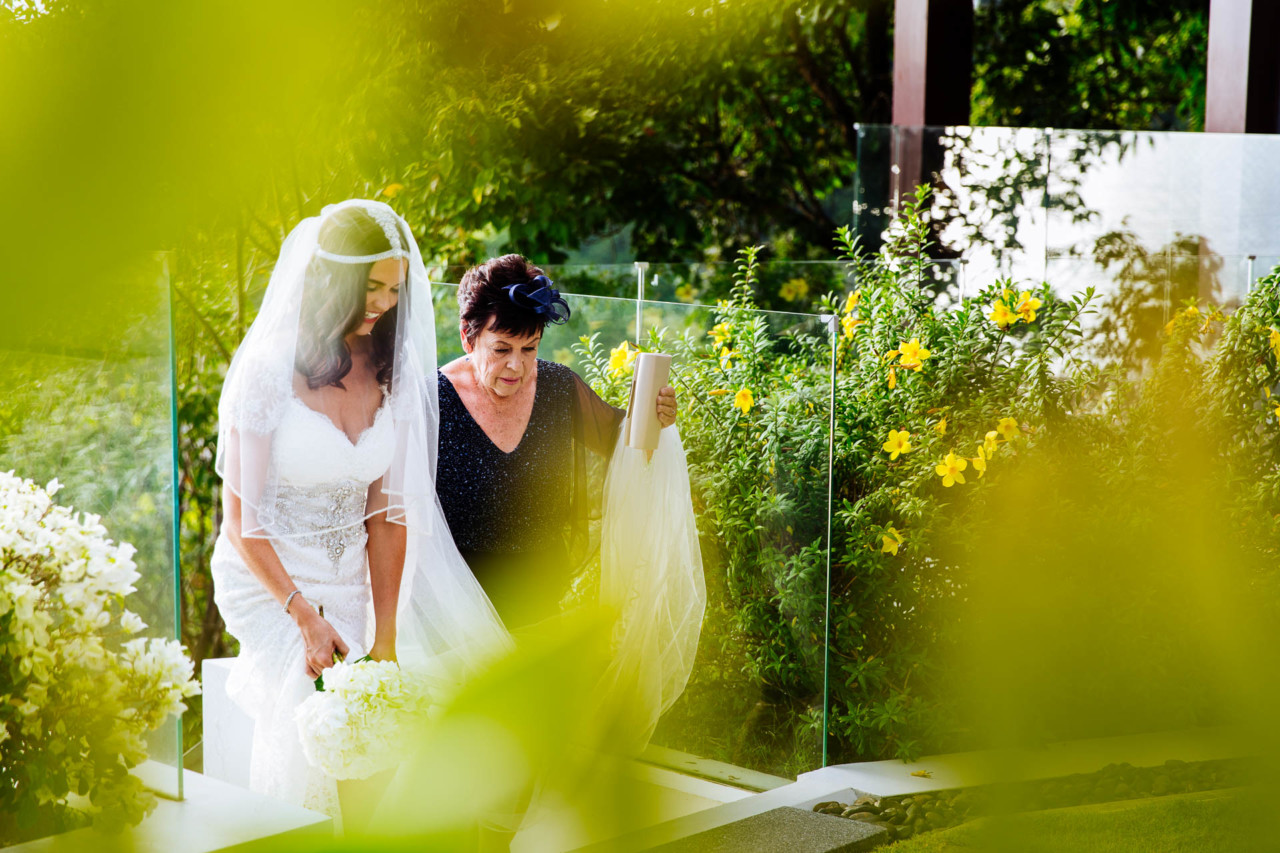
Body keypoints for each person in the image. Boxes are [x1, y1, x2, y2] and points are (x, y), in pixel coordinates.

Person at [212, 200, 507, 819]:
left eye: (396, 289)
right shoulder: (267, 372)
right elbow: (241, 522)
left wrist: (389, 635)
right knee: (305, 700)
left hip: (349, 580)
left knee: (379, 705)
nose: (384, 303)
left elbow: (388, 517)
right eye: (371, 287)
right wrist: (302, 616)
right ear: (332, 281)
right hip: (270, 579)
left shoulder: (390, 372)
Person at [436, 254, 678, 629]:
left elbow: (628, 447)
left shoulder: (558, 386)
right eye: (502, 349)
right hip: (457, 614)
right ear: (468, 337)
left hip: (542, 603)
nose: (517, 366)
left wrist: (655, 416)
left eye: (529, 348)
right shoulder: (432, 401)